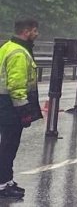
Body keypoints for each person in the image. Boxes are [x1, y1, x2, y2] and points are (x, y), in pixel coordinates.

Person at [0, 19, 42, 199]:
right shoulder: (19, 53)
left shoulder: (7, 47)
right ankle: (3, 185)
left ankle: (6, 179)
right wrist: (24, 112)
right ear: (26, 32)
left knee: (7, 144)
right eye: (34, 31)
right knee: (9, 145)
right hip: (10, 106)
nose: (37, 34)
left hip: (4, 103)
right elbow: (17, 87)